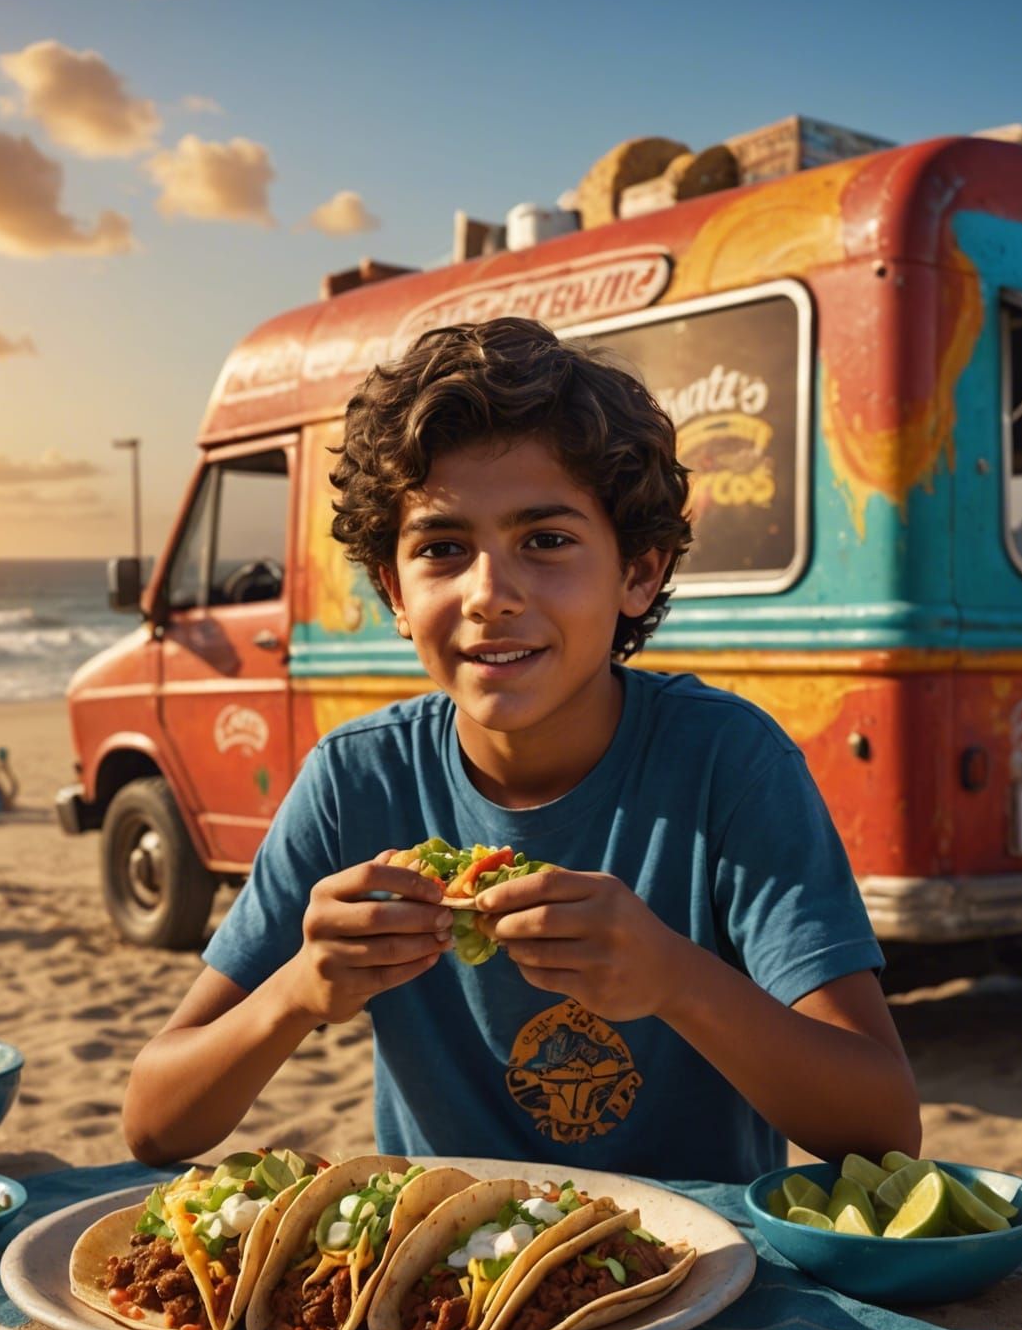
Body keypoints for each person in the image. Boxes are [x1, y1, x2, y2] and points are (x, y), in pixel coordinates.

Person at [123, 317, 920, 1181]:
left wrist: (677, 982)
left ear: (639, 573)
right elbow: (154, 1123)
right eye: (442, 548)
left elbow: (882, 1127)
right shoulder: (359, 780)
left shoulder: (729, 764)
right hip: (442, 1286)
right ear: (393, 588)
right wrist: (297, 991)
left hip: (694, 1278)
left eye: (546, 541)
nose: (490, 595)